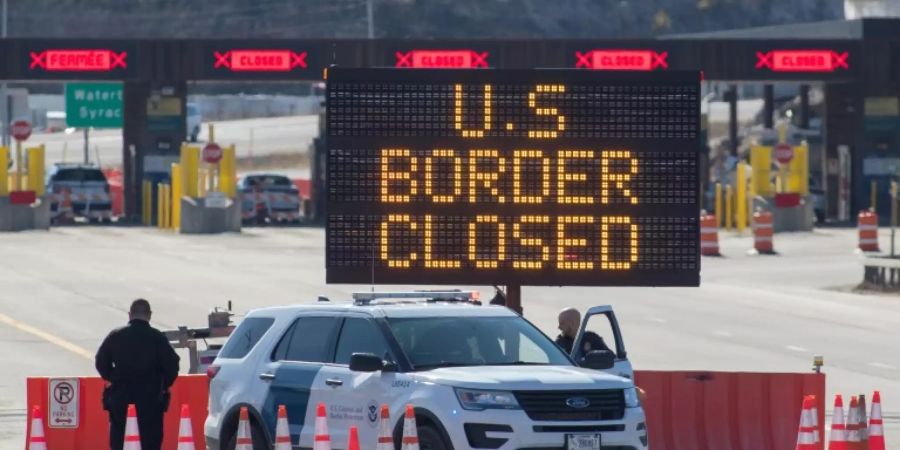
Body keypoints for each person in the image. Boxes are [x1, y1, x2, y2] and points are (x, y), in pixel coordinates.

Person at [95, 299, 180, 450]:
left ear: (129, 315)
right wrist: (163, 384)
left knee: (120, 440)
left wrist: (112, 378)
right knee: (150, 440)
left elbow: (101, 362)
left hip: (120, 398)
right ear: (150, 315)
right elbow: (172, 366)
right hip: (150, 399)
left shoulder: (116, 335)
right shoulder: (157, 337)